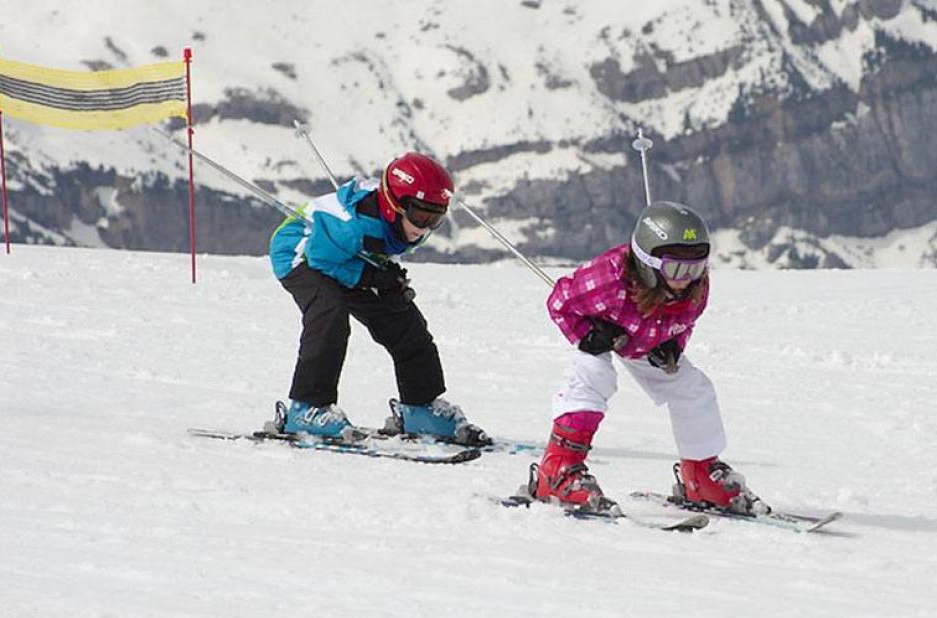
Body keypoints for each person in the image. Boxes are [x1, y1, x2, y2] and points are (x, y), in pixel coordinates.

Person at [523, 200, 768, 515]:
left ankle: (700, 475)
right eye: (676, 268)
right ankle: (557, 471)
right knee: (594, 377)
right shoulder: (608, 278)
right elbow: (559, 301)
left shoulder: (695, 287)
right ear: (647, 261)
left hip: (645, 340)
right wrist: (585, 335)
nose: (685, 278)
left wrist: (673, 345)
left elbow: (684, 322)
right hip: (601, 330)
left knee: (692, 387)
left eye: (696, 267)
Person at [264, 152, 489, 446]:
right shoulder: (354, 227)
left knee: (403, 318)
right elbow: (321, 259)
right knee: (329, 313)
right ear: (395, 206)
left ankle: (420, 407)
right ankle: (307, 408)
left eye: (435, 218)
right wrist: (370, 277)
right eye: (420, 216)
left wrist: (383, 276)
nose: (424, 227)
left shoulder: (397, 222)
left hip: (349, 258)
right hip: (302, 254)